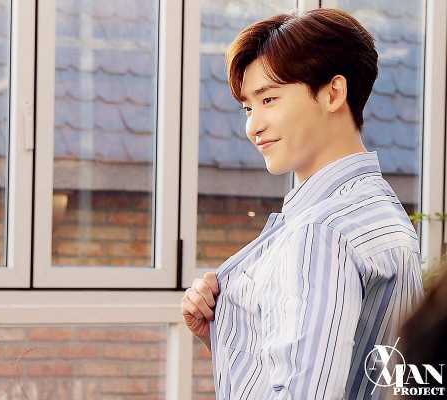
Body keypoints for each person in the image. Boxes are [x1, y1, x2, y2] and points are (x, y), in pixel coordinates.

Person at [181, 8, 424, 400]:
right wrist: (225, 327)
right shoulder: (381, 211)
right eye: (248, 108)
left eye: (269, 99)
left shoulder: (321, 232)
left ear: (333, 93)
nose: (253, 126)